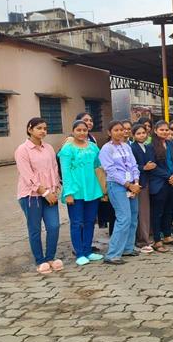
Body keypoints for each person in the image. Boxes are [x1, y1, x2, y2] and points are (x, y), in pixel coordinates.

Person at [15, 117, 63, 274]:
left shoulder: (48, 148)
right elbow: (27, 175)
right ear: (30, 129)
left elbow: (55, 169)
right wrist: (45, 192)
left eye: (45, 128)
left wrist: (54, 188)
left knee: (54, 226)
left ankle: (50, 257)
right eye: (39, 128)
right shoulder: (22, 150)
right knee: (35, 228)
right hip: (31, 196)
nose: (43, 131)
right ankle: (40, 260)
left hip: (50, 193)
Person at [58, 120, 104, 266]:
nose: (82, 133)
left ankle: (88, 251)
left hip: (92, 190)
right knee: (77, 223)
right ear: (73, 131)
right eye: (78, 130)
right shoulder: (67, 149)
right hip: (75, 191)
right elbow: (65, 172)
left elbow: (98, 165)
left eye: (84, 130)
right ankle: (79, 253)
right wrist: (69, 193)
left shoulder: (93, 147)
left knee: (90, 221)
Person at [99, 121, 141, 265]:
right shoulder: (106, 149)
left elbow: (134, 165)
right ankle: (112, 254)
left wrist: (136, 182)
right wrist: (128, 184)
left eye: (121, 130)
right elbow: (110, 170)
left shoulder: (126, 147)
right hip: (117, 186)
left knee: (133, 216)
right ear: (109, 133)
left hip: (132, 186)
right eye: (116, 130)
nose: (119, 132)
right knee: (123, 218)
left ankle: (128, 248)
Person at [148, 121, 173, 252]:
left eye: (166, 130)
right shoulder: (150, 146)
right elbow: (152, 166)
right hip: (159, 183)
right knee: (158, 212)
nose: (165, 132)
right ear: (155, 131)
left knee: (169, 210)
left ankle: (167, 235)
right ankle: (157, 240)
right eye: (161, 130)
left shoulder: (172, 144)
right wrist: (168, 176)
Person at [130, 123, 156, 253]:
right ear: (133, 135)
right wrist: (143, 167)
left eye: (143, 133)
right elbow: (132, 166)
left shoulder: (148, 147)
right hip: (139, 183)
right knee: (142, 212)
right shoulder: (132, 148)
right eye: (138, 133)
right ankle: (142, 240)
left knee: (149, 211)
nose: (141, 135)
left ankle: (149, 235)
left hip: (151, 182)